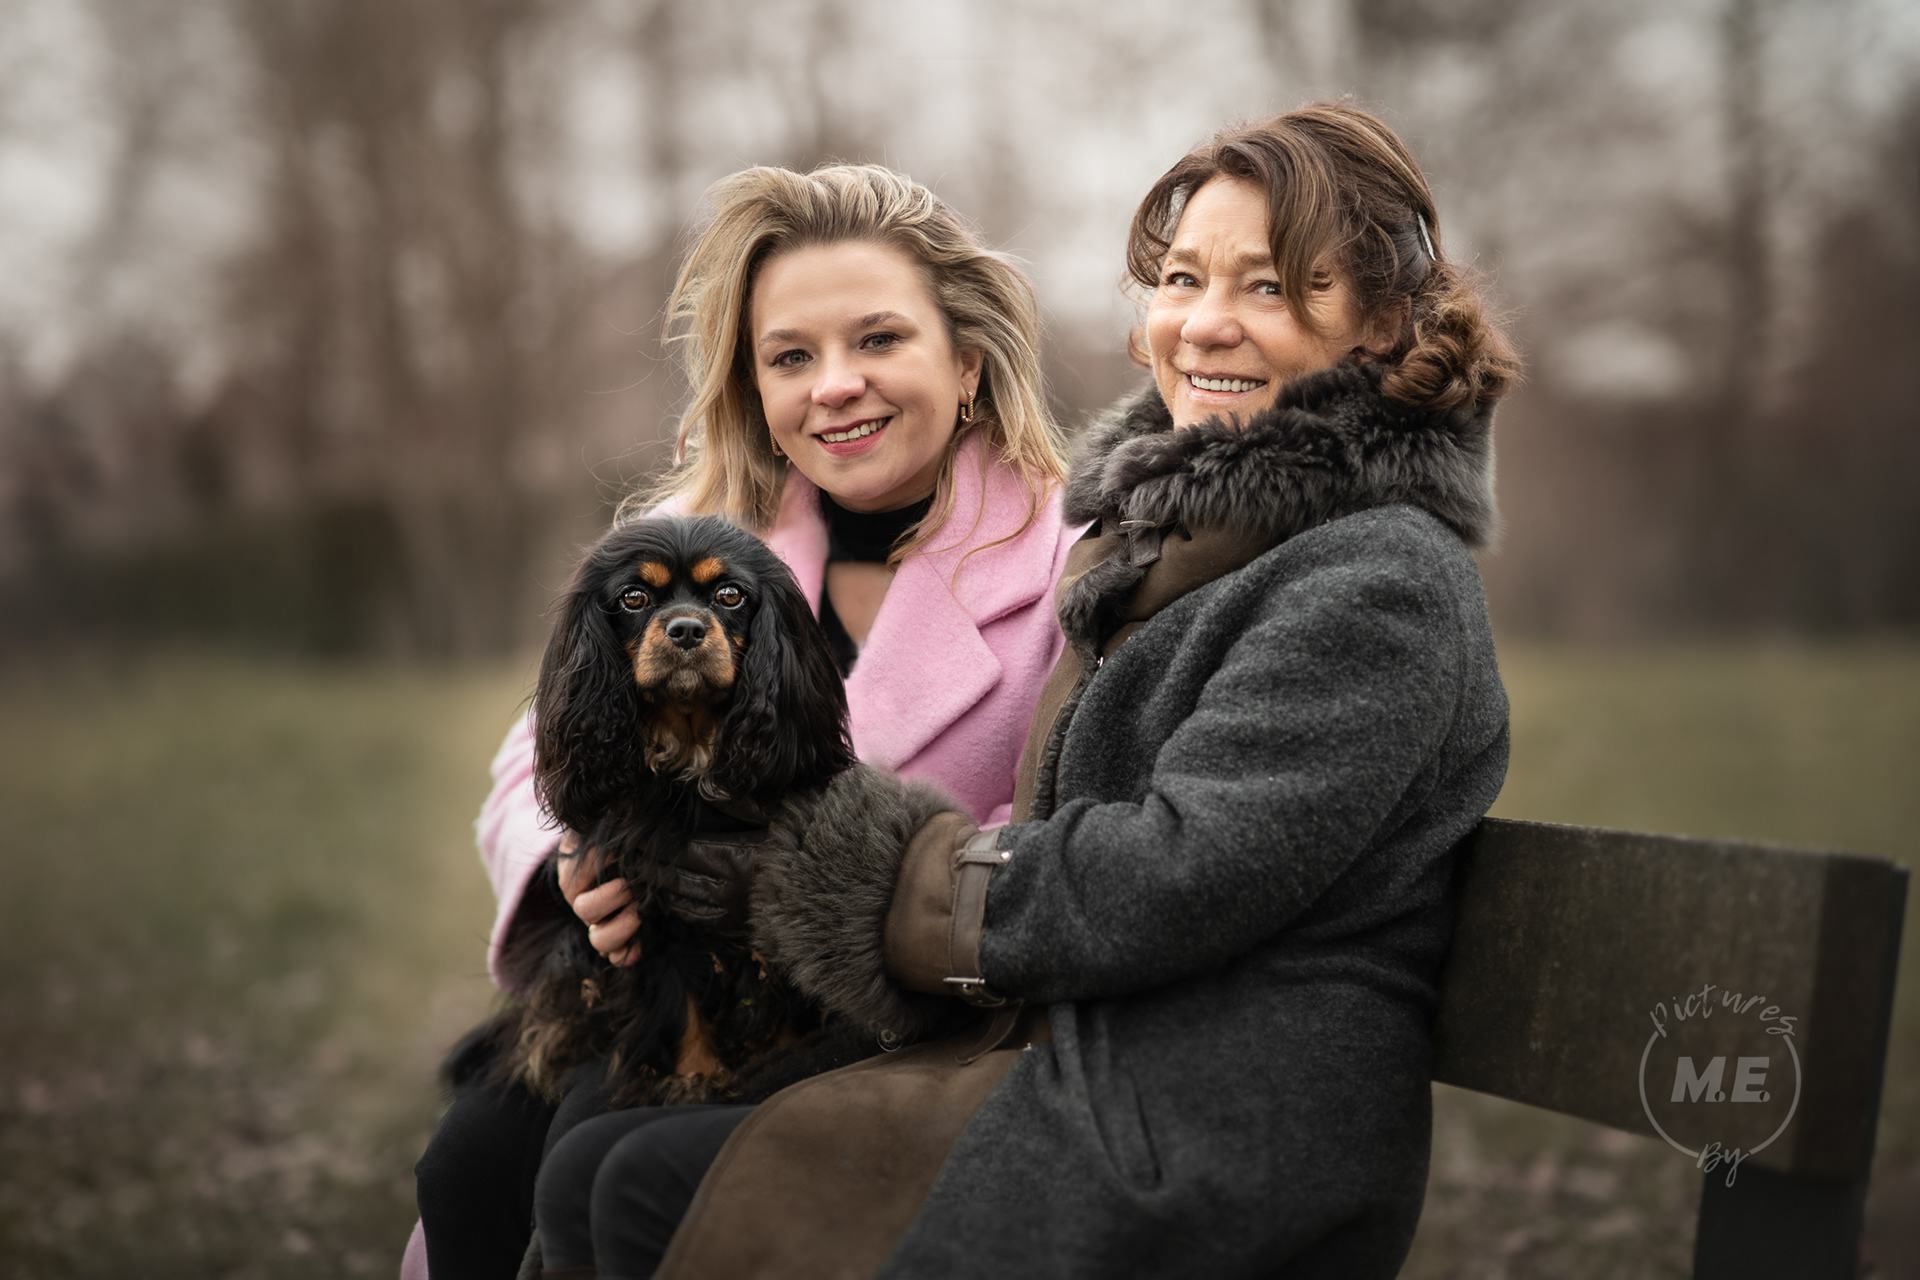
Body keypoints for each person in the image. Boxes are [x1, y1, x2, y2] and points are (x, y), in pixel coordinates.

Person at [636, 102, 1524, 1280]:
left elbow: (1175, 870)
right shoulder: (1169, 550)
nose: (1204, 321)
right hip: (1087, 1056)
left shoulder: (1378, 577)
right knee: (610, 1167)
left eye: (1268, 286)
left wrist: (863, 877)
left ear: (1385, 321)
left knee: (647, 1187)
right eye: (1182, 278)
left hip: (1213, 1128)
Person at [403, 163, 1078, 1280]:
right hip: (658, 983)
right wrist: (575, 867)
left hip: (907, 1025)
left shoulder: (1068, 561)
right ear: (753, 384)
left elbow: (1072, 821)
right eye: (791, 356)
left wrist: (863, 887)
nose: (836, 386)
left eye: (878, 340)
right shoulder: (694, 532)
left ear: (966, 361)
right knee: (469, 1165)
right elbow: (533, 758)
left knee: (589, 1166)